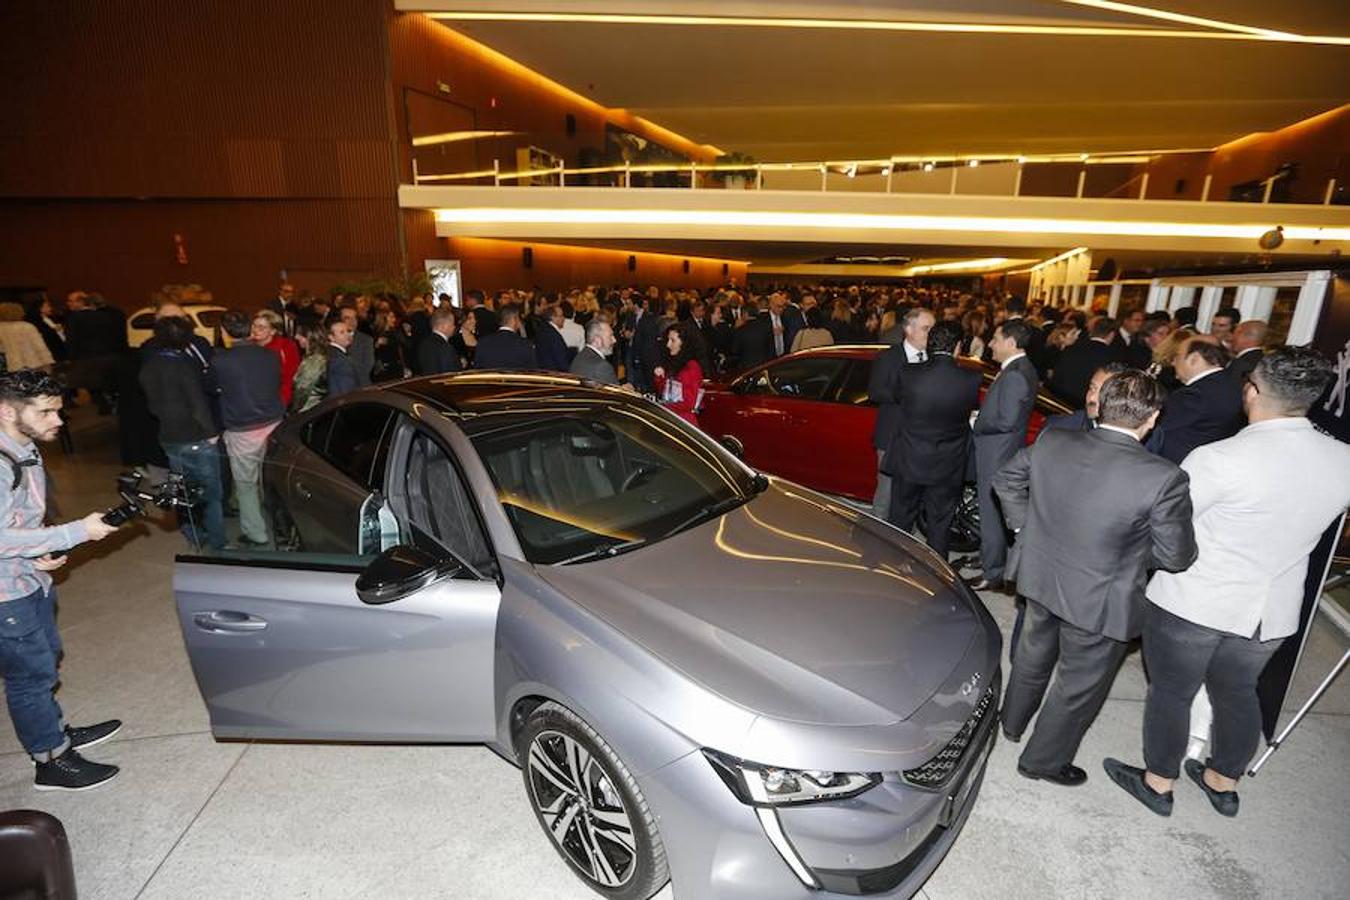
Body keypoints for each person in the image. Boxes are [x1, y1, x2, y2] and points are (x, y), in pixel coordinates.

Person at [1105, 348, 1350, 817]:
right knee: (1237, 691)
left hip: (1195, 603)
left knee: (1172, 692)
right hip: (1273, 611)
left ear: (1253, 391)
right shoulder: (1343, 459)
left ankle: (1158, 783)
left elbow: (1170, 523)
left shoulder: (1221, 456)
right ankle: (1223, 780)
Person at [997, 370, 1197, 787]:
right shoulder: (1163, 477)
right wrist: (1134, 556)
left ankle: (1011, 724)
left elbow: (1007, 478)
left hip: (1041, 576)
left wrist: (1025, 529)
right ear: (1152, 418)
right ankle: (1042, 762)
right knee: (1077, 686)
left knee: (1033, 656)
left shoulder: (1054, 440)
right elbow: (1177, 555)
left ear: (1100, 403)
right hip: (1101, 598)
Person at [0, 370, 122, 791]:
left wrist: (41, 549)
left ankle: (56, 733)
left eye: (59, 410)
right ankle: (49, 760)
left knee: (46, 658)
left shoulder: (24, 447)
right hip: (5, 595)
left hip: (27, 577)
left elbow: (20, 518)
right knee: (29, 676)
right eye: (47, 412)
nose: (59, 420)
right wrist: (73, 532)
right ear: (6, 411)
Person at [882, 321, 980, 559]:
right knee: (940, 524)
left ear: (930, 344)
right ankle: (937, 579)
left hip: (909, 458)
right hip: (947, 464)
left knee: (900, 519)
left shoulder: (908, 373)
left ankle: (894, 568)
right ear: (958, 347)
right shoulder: (971, 380)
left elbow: (898, 398)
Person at [140, 316, 226, 551]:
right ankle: (217, 543)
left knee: (184, 492)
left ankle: (193, 535)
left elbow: (152, 406)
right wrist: (211, 433)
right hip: (195, 437)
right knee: (211, 494)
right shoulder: (183, 364)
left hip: (168, 436)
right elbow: (197, 403)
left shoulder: (149, 365)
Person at [968, 319, 1039, 592]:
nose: (990, 344)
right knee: (992, 513)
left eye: (995, 339)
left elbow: (1007, 420)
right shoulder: (1021, 368)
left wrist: (977, 422)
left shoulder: (1015, 375)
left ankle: (993, 572)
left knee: (990, 514)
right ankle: (991, 558)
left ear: (1010, 343)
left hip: (997, 452)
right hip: (1002, 449)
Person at [213, 311, 284, 546]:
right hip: (273, 423)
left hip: (243, 430)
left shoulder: (221, 361)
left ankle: (256, 533)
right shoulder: (270, 356)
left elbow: (212, 389)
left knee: (245, 484)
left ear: (224, 332)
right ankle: (281, 526)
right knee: (271, 478)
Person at [867, 308, 934, 519]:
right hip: (891, 439)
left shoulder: (933, 360)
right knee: (885, 496)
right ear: (908, 329)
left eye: (932, 328)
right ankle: (877, 544)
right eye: (926, 328)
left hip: (922, 440)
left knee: (913, 498)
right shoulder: (888, 357)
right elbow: (876, 391)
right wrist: (910, 394)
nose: (930, 333)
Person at [1041, 362, 1165, 454]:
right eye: (1092, 388)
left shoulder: (1149, 435)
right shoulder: (1059, 427)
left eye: (1104, 392)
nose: (1092, 398)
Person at [1156, 337, 1243, 464]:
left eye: (1177, 356)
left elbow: (1154, 428)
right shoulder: (1231, 385)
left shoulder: (1195, 395)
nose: (1173, 362)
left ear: (1194, 358)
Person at [1049, 316, 1117, 409]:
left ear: (1092, 331)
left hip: (1060, 402)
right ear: (1111, 335)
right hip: (1085, 407)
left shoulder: (1071, 349)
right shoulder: (1112, 356)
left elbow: (1057, 377)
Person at [653, 321, 704, 426]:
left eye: (673, 340)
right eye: (668, 340)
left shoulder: (691, 367)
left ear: (684, 342)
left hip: (683, 423)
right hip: (673, 419)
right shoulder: (675, 362)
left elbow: (689, 402)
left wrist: (663, 406)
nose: (668, 345)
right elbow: (666, 392)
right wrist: (659, 378)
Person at [251, 310, 299, 408]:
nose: (255, 330)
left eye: (261, 327)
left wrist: (281, 403)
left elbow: (290, 378)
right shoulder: (248, 345)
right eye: (254, 325)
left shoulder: (286, 346)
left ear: (273, 331)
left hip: (277, 400)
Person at [473, 303, 538, 370]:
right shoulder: (525, 344)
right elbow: (531, 372)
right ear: (514, 319)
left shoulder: (483, 342)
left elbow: (478, 371)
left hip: (491, 380)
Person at [290, 319, 329, 414]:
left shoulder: (314, 361)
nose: (296, 337)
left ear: (309, 336)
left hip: (308, 411)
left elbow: (302, 390)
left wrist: (292, 411)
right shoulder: (320, 356)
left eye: (300, 334)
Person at [570, 319, 619, 385]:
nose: (614, 340)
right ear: (597, 340)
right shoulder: (602, 367)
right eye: (610, 336)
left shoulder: (578, 357)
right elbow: (615, 394)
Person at [414, 307, 461, 376]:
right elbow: (450, 376)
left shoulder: (423, 344)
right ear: (444, 326)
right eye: (452, 323)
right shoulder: (445, 348)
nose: (454, 327)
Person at [325, 314, 360, 398]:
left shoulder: (330, 352)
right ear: (331, 337)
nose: (347, 335)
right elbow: (347, 394)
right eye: (342, 332)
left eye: (348, 331)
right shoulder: (340, 360)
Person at [339, 306, 374, 388]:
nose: (352, 321)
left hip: (360, 387)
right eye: (347, 318)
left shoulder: (366, 340)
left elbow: (367, 366)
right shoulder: (333, 339)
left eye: (354, 318)